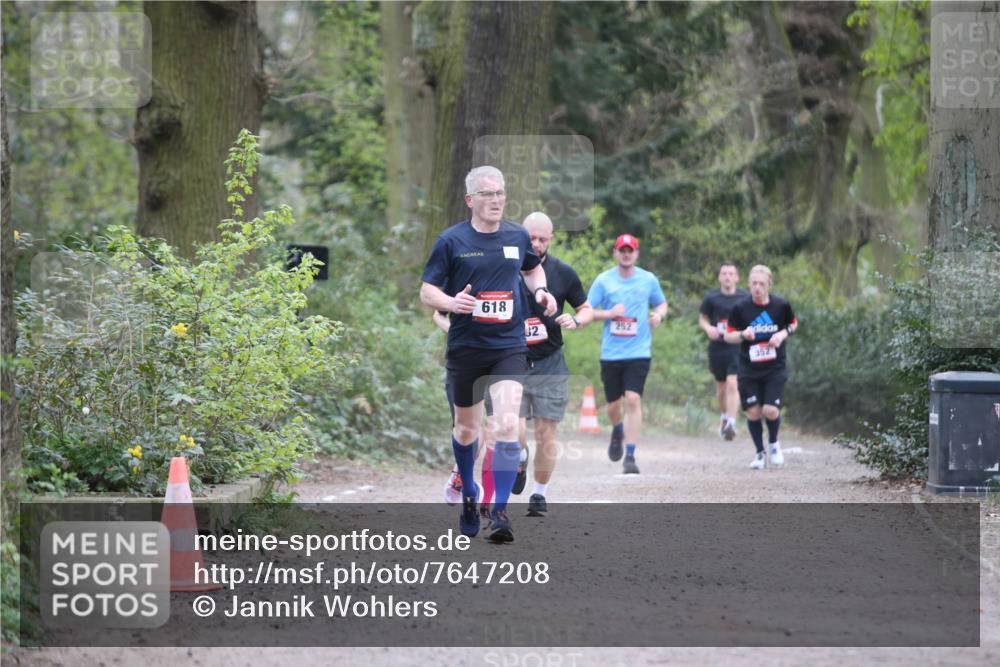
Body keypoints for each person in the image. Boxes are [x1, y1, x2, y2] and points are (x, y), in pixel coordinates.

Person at [420, 166, 557, 542]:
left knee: (508, 424)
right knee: (466, 430)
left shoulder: (516, 235)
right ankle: (468, 492)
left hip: (508, 346)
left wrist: (541, 291)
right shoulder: (451, 240)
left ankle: (499, 512)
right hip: (466, 347)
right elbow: (427, 291)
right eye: (487, 194)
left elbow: (532, 270)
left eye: (500, 193)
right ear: (470, 200)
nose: (496, 200)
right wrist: (452, 302)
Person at [516, 212, 593, 516]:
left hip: (549, 362)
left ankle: (539, 494)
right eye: (531, 238)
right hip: (510, 361)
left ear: (551, 239)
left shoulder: (563, 272)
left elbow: (586, 308)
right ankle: (520, 456)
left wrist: (576, 319)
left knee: (546, 434)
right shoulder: (505, 267)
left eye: (542, 239)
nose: (536, 244)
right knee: (512, 431)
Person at [586, 234, 667, 475]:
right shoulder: (603, 281)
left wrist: (659, 316)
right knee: (613, 406)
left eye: (630, 250)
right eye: (622, 250)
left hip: (639, 351)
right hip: (611, 354)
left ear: (636, 253)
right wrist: (609, 314)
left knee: (632, 399)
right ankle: (617, 428)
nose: (626, 254)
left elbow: (661, 303)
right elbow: (587, 311)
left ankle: (630, 455)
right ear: (615, 252)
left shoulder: (648, 279)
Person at [723, 264, 798, 469]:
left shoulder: (781, 306)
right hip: (749, 369)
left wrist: (782, 334)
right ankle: (759, 454)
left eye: (761, 284)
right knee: (753, 412)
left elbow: (793, 323)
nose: (757, 288)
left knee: (770, 410)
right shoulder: (740, 308)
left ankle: (773, 444)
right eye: (754, 283)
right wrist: (742, 334)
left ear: (769, 285)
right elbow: (728, 336)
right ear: (748, 284)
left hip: (775, 368)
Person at [698, 262, 748, 441]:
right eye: (724, 273)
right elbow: (702, 318)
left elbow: (752, 317)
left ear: (737, 278)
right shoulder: (711, 298)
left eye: (731, 274)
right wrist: (708, 328)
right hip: (718, 347)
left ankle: (732, 424)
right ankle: (725, 416)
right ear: (719, 277)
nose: (727, 277)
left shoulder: (745, 298)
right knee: (721, 389)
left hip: (737, 346)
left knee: (733, 384)